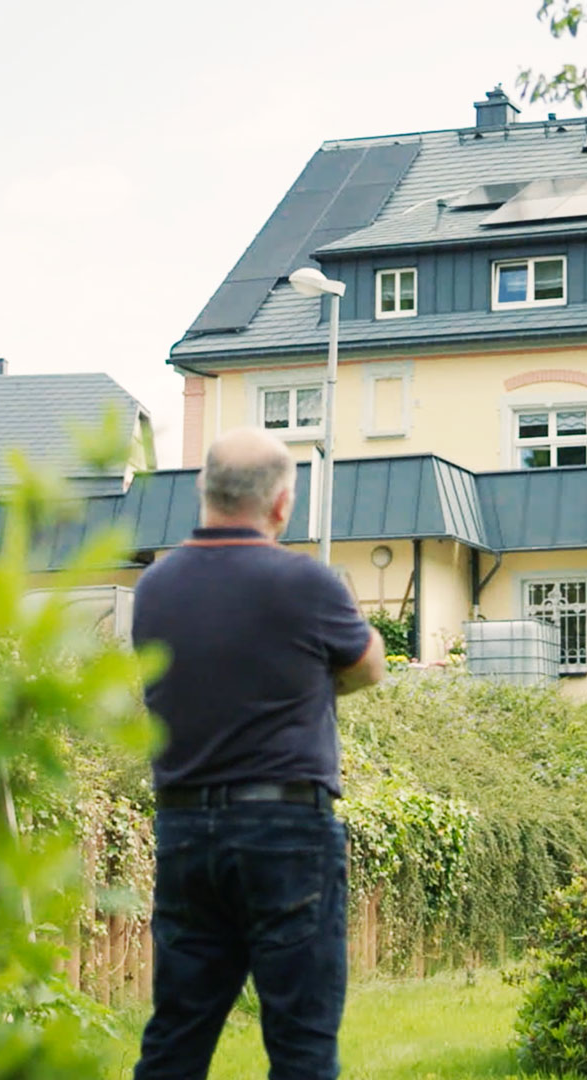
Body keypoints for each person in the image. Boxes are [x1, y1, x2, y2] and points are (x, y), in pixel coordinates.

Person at [130, 427, 386, 1080]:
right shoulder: (307, 582)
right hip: (287, 831)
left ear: (203, 492)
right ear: (281, 504)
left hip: (185, 828)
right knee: (301, 1043)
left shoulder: (156, 588)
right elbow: (369, 667)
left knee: (177, 1038)